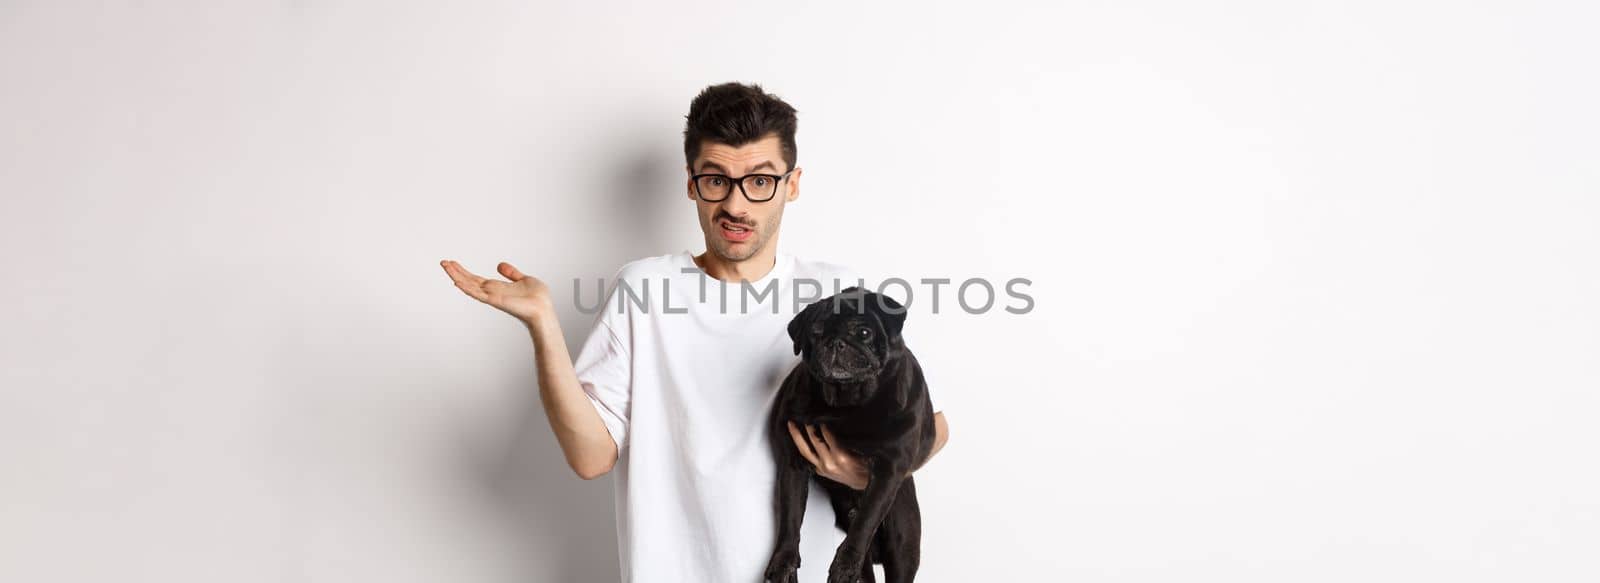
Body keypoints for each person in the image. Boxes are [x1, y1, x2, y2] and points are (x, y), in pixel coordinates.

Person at [440, 82, 949, 583]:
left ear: (791, 185)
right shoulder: (644, 288)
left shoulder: (838, 293)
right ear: (691, 183)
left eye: (760, 180)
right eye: (716, 179)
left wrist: (870, 476)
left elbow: (931, 426)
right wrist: (543, 326)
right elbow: (591, 456)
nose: (736, 204)